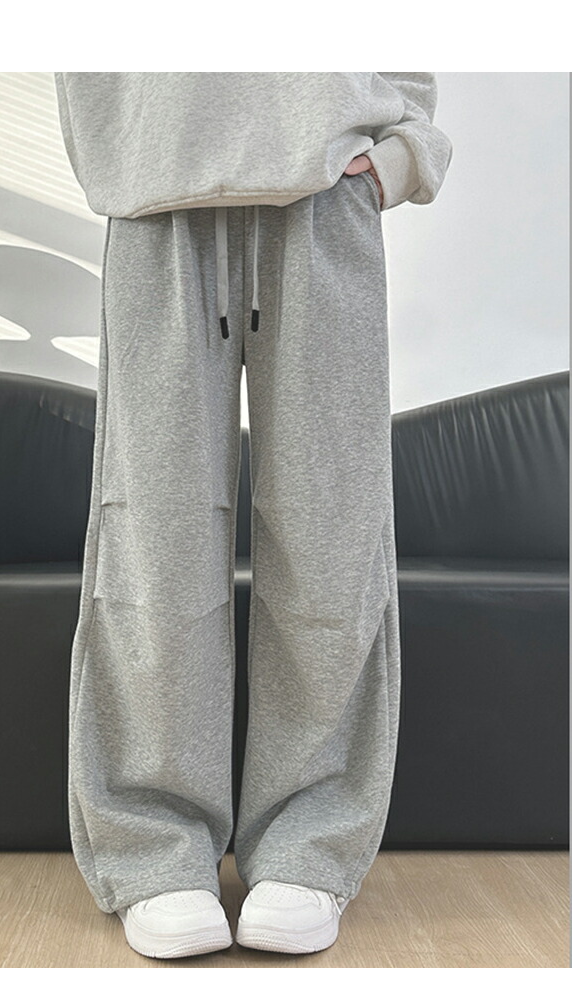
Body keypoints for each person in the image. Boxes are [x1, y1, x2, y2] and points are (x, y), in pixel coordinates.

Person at [53, 71, 452, 960]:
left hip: (324, 204)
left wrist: (398, 159)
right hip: (157, 203)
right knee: (153, 539)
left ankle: (311, 842)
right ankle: (155, 849)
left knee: (330, 535)